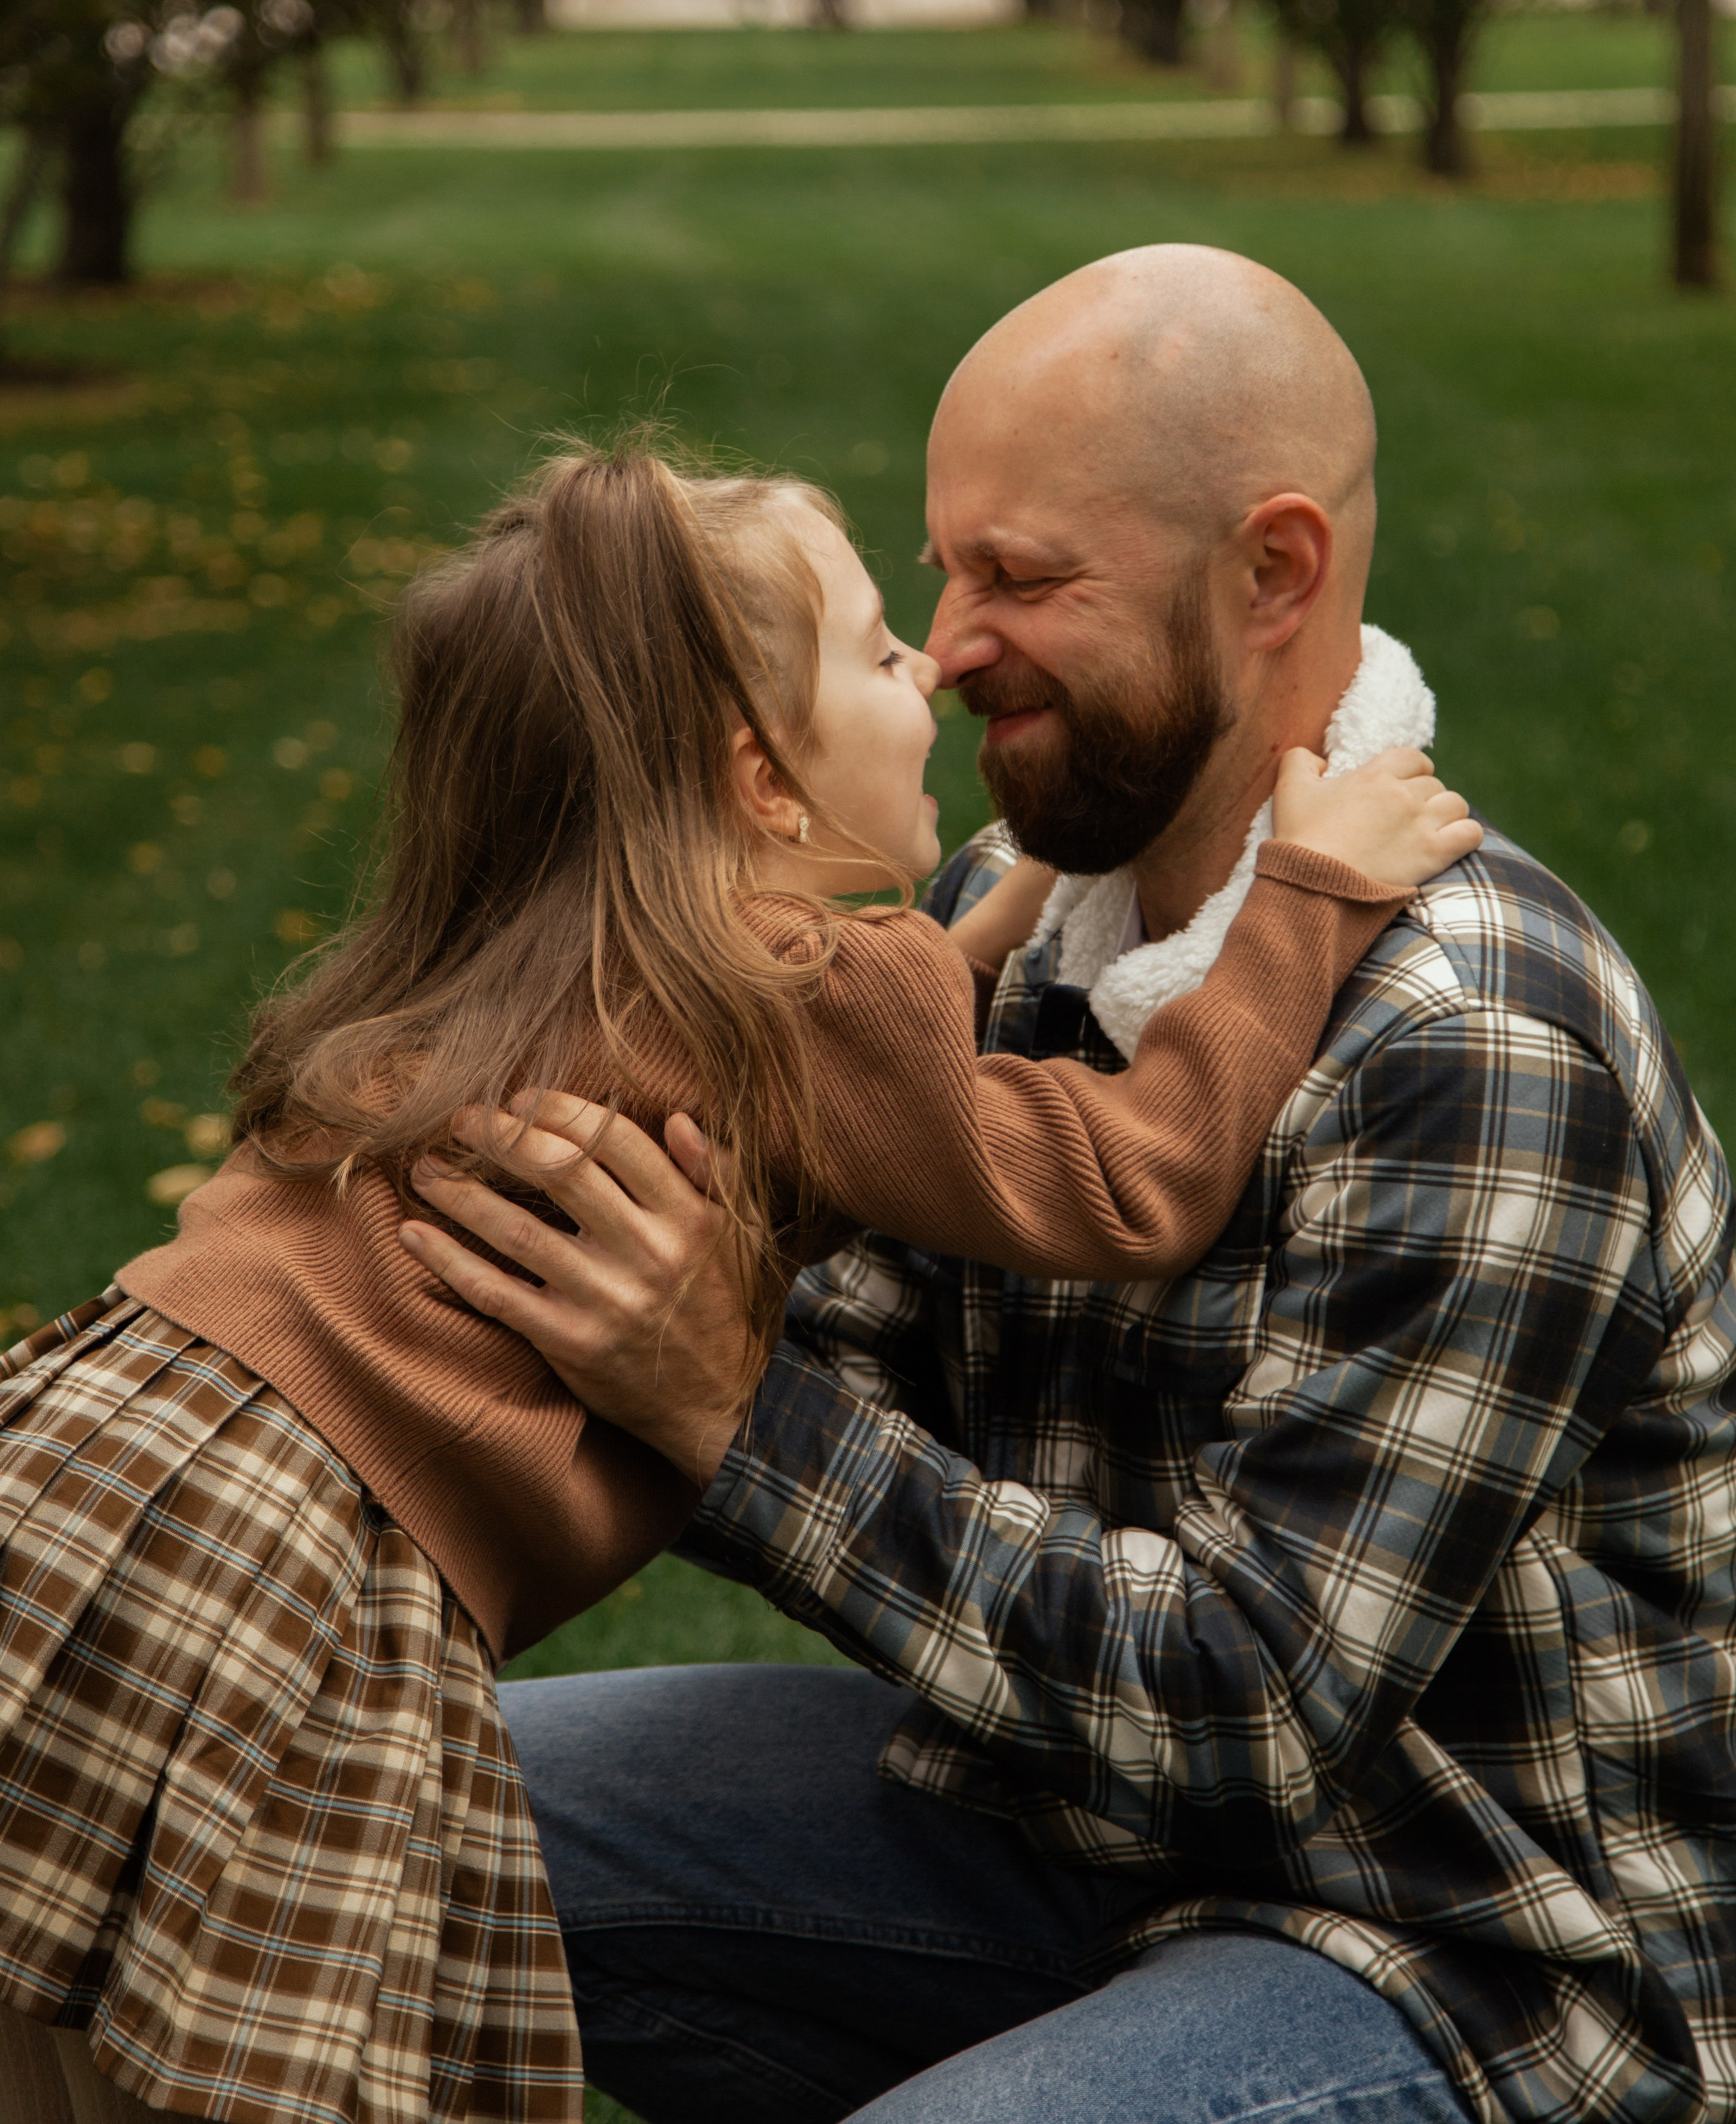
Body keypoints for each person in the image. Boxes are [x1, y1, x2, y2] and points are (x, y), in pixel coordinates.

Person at [416, 247, 1736, 2124]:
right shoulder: (1011, 915)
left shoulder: (1472, 1038)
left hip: (1474, 1949)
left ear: (1271, 573)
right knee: (355, 1803)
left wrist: (724, 1408)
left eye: (1023, 580)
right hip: (1070, 1827)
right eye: (942, 573)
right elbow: (829, 1345)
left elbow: (1248, 1705)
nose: (949, 647)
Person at [0, 440, 1467, 2124]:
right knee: (283, 2059)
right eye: (878, 650)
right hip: (288, 1566)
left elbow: (853, 1064)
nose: (933, 664)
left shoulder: (566, 946)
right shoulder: (803, 998)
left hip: (103, 1460)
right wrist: (1303, 895)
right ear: (762, 782)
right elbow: (1130, 1173)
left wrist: (1027, 889)